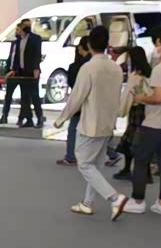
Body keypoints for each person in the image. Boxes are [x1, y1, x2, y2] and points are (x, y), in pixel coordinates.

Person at [54, 26, 129, 220]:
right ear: (107, 43)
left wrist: (62, 118)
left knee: (85, 165)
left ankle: (115, 198)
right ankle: (87, 203)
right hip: (108, 123)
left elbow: (77, 97)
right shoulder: (115, 68)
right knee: (96, 165)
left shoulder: (88, 68)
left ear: (89, 44)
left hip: (90, 123)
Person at [123, 33, 161, 215]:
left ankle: (138, 200)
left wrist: (142, 98)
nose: (155, 48)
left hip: (155, 123)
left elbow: (159, 97)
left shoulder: (160, 70)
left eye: (157, 44)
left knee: (141, 160)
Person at [114, 47, 152, 181]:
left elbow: (127, 95)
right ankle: (145, 172)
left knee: (131, 141)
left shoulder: (135, 76)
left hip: (136, 109)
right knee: (142, 142)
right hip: (147, 110)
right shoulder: (150, 73)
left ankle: (133, 171)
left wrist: (120, 111)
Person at [56, 36, 91, 166]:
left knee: (73, 129)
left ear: (80, 48)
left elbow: (73, 85)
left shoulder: (76, 66)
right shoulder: (98, 65)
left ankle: (70, 156)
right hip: (93, 103)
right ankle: (112, 153)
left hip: (79, 103)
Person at [0, 23, 25, 125]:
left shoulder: (23, 44)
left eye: (18, 30)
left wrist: (15, 70)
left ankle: (21, 118)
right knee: (8, 96)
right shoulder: (14, 43)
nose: (16, 32)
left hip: (19, 74)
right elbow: (11, 57)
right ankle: (4, 116)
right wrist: (7, 70)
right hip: (11, 73)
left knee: (24, 97)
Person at [18, 19, 45, 128]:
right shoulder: (19, 39)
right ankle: (29, 119)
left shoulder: (36, 38)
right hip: (22, 71)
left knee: (34, 96)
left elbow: (37, 54)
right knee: (24, 97)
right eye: (25, 25)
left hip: (32, 71)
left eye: (29, 25)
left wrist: (36, 69)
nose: (27, 27)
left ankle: (39, 118)